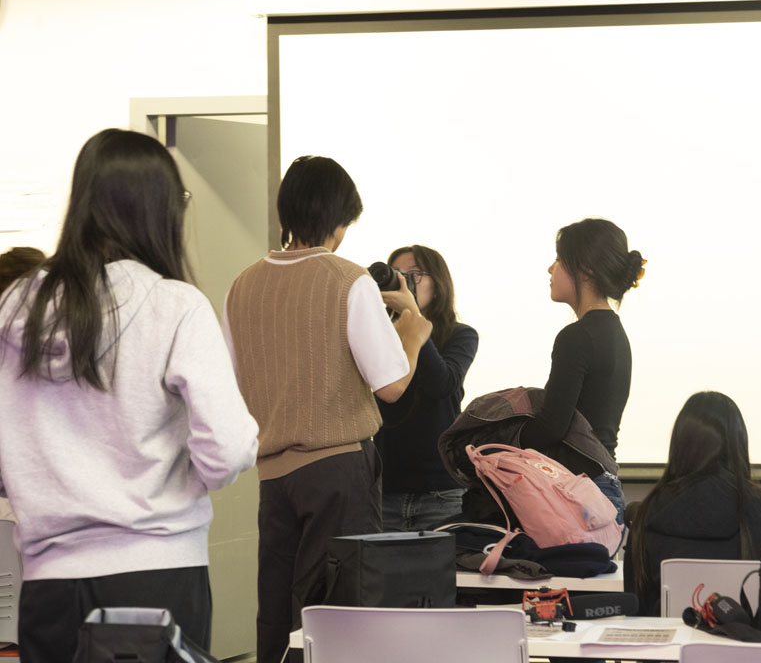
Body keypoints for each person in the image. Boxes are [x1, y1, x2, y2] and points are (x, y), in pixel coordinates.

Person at [0, 129, 259, 662]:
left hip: (49, 581)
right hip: (158, 572)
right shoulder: (175, 305)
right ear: (159, 209)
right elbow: (229, 450)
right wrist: (190, 472)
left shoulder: (13, 307)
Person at [224, 155, 431, 663]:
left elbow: (233, 382)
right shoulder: (348, 279)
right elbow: (391, 386)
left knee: (277, 611)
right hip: (338, 471)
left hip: (272, 476)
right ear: (337, 220)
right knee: (340, 615)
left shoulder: (243, 284)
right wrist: (414, 334)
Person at [623, 391, 761, 616]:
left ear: (679, 446)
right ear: (739, 444)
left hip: (671, 650)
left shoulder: (647, 514)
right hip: (756, 649)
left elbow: (635, 614)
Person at [520, 218, 644, 522]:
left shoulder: (577, 336)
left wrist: (501, 441)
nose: (551, 269)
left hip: (578, 492)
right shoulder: (615, 332)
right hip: (606, 487)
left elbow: (552, 427)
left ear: (585, 269)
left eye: (560, 260)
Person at [376, 245, 478, 531]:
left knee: (438, 576)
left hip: (441, 491)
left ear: (439, 282)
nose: (406, 281)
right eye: (397, 274)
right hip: (387, 491)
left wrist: (413, 319)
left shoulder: (461, 335)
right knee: (382, 576)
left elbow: (442, 384)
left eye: (415, 274)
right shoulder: (380, 335)